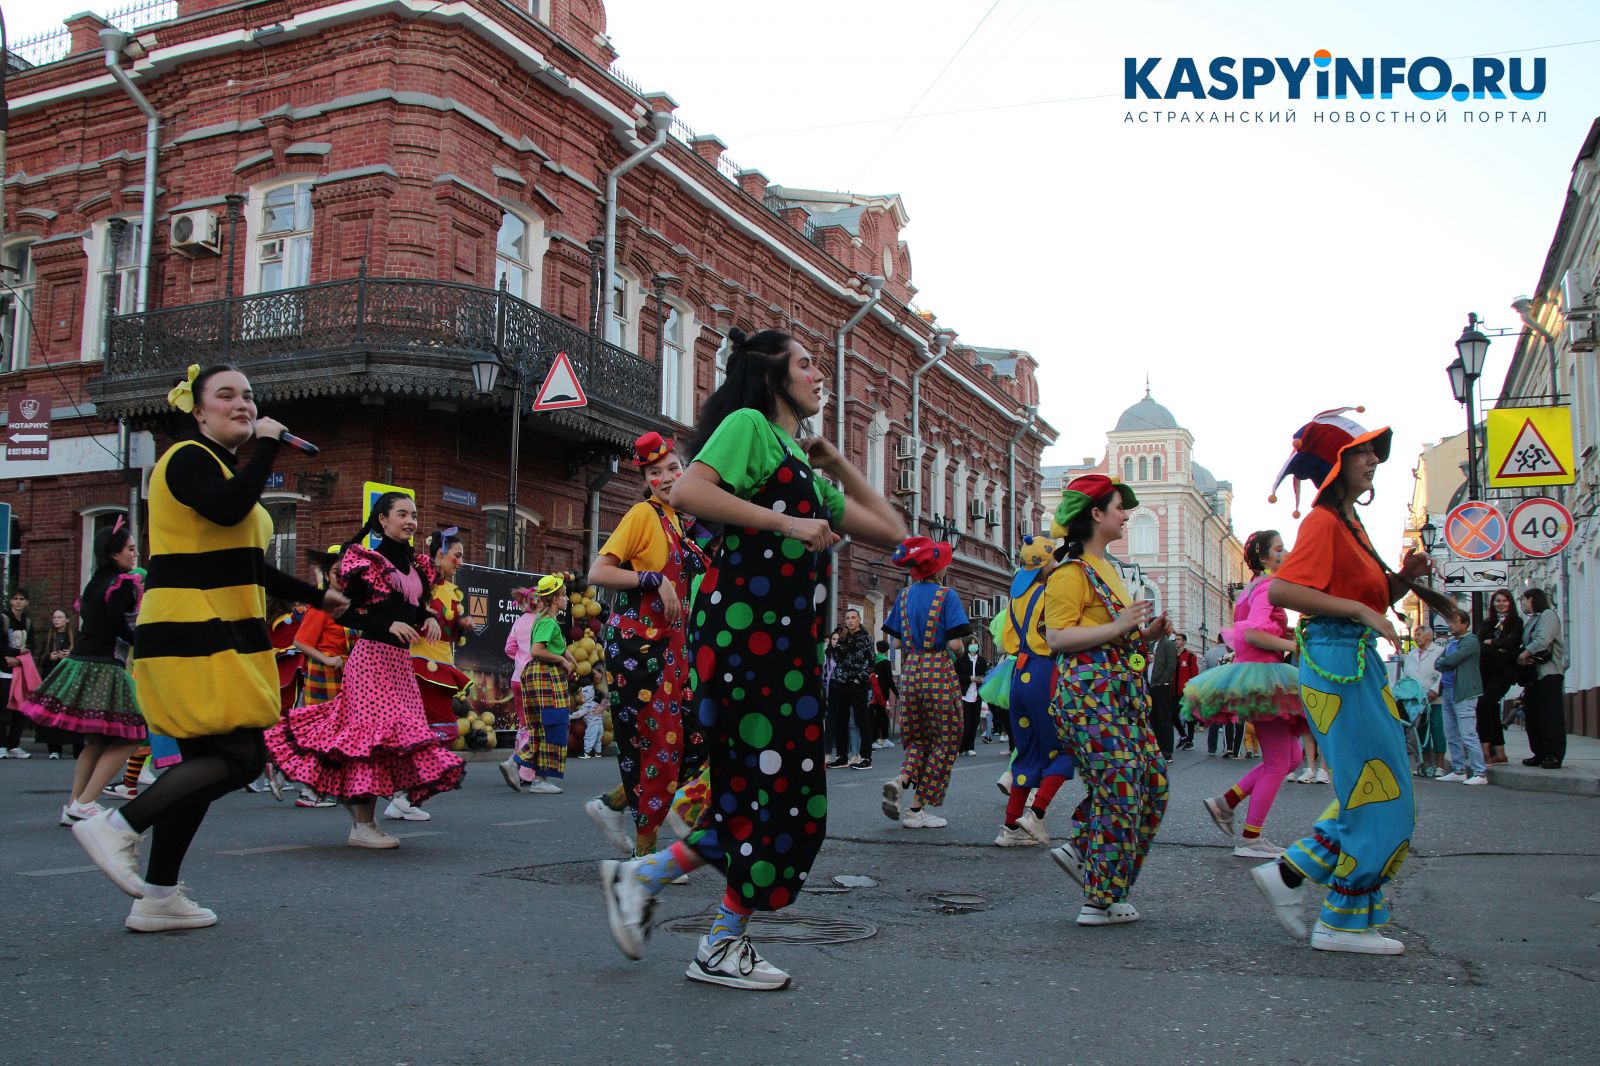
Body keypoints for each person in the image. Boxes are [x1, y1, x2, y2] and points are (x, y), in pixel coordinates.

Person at [599, 326, 905, 990]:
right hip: (745, 641)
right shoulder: (748, 427)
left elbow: (891, 531)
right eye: (805, 363)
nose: (819, 373)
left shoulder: (795, 460)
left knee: (767, 799)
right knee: (781, 798)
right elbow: (689, 493)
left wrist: (835, 462)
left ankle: (652, 883)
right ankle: (715, 940)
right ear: (772, 377)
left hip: (785, 651)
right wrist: (788, 524)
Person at [70, 364, 343, 932]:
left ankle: (159, 897)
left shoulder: (218, 467)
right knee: (241, 756)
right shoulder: (187, 459)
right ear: (198, 412)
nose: (243, 404)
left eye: (248, 396)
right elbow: (228, 509)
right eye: (226, 396)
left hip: (213, 624)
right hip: (194, 627)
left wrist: (320, 597)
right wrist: (268, 447)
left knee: (202, 764)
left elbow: (245, 565)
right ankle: (117, 827)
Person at [1251, 406, 1448, 955]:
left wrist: (1402, 580)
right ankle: (1340, 920)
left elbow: (1365, 599)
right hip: (1339, 662)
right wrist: (1361, 613)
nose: (1373, 461)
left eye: (1373, 452)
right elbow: (1284, 593)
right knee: (1382, 791)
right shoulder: (1321, 521)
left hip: (1352, 661)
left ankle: (1292, 872)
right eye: (1362, 452)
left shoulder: (1347, 524)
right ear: (1336, 463)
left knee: (1377, 787)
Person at [266, 491, 465, 847]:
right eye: (402, 514)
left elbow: (407, 608)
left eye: (414, 515)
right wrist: (385, 626)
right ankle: (362, 825)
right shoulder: (367, 562)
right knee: (371, 739)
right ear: (383, 520)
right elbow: (346, 613)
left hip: (399, 665)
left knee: (390, 737)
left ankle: (348, 803)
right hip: (371, 660)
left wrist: (428, 616)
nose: (410, 521)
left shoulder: (417, 564)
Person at [1043, 474, 1170, 926]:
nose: (1126, 514)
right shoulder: (1069, 574)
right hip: (1086, 695)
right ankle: (1099, 898)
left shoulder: (1109, 570)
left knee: (1153, 784)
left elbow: (1119, 638)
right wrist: (1120, 628)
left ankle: (1086, 851)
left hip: (1121, 693)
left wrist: (1143, 636)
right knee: (1119, 782)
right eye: (1119, 507)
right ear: (1096, 515)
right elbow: (1057, 636)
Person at [587, 431, 712, 851]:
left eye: (674, 467)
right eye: (656, 472)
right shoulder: (643, 514)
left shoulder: (678, 522)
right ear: (647, 480)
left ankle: (614, 804)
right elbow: (598, 572)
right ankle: (646, 854)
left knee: (693, 739)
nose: (668, 477)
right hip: (640, 646)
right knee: (658, 744)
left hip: (672, 646)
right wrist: (652, 579)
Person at [1185, 530, 1306, 858]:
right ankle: (1251, 838)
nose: (1286, 552)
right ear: (1265, 558)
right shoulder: (1267, 587)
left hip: (1259, 674)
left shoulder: (1252, 587)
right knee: (1281, 761)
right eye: (1279, 548)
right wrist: (1295, 644)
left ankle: (1228, 802)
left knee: (1291, 758)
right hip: (1263, 675)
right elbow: (1252, 633)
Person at [20, 526, 145, 826]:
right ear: (114, 553)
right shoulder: (123, 583)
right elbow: (117, 621)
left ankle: (74, 805)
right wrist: (139, 639)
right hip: (104, 666)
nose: (134, 553)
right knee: (130, 737)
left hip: (82, 663)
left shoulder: (95, 583)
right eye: (129, 548)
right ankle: (86, 801)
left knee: (97, 740)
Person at [881, 536, 972, 829]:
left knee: (919, 739)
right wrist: (949, 647)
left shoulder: (904, 596)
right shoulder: (947, 596)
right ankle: (918, 807)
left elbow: (894, 644)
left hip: (911, 672)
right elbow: (957, 646)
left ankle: (902, 778)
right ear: (938, 569)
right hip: (938, 670)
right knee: (945, 740)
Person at [994, 534, 1074, 849]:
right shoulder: (1052, 591)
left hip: (1019, 673)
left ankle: (1011, 827)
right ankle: (1036, 814)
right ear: (1048, 562)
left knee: (1026, 753)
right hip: (1045, 672)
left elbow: (1007, 642)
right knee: (1063, 747)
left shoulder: (1017, 597)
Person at [390, 527, 471, 822]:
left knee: (425, 732)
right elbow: (406, 615)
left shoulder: (450, 589)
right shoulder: (422, 583)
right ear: (440, 555)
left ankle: (403, 793)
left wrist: (461, 624)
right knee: (444, 731)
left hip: (440, 667)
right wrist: (427, 618)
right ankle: (407, 791)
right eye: (456, 556)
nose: (460, 562)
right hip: (421, 667)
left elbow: (448, 633)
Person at [289, 547, 351, 808]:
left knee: (337, 735)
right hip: (323, 674)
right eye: (338, 572)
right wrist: (326, 658)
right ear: (327, 574)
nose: (342, 577)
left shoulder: (347, 604)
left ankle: (324, 788)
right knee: (322, 733)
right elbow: (300, 642)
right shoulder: (321, 604)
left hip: (343, 675)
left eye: (347, 573)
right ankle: (311, 791)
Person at [505, 575, 575, 795]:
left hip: (539, 676)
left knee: (542, 727)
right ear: (555, 599)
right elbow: (537, 650)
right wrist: (563, 661)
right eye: (563, 595)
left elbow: (556, 646)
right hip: (546, 676)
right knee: (554, 725)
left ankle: (528, 772)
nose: (566, 599)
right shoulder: (546, 621)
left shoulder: (545, 621)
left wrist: (569, 658)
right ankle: (534, 774)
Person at [1434, 612, 1487, 785]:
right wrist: (1445, 662)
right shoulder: (1451, 642)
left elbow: (1453, 660)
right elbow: (1439, 661)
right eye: (1449, 622)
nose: (1449, 625)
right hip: (1448, 691)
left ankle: (1480, 772)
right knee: (1451, 733)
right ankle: (1458, 770)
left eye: (1453, 622)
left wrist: (1445, 661)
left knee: (1468, 734)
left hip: (1464, 692)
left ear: (1465, 624)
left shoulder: (1470, 641)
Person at [1518, 588, 1567, 770]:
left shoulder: (1548, 615)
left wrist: (1523, 655)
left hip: (1549, 673)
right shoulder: (1533, 619)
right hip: (1534, 675)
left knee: (1550, 716)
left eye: (1524, 600)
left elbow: (1542, 640)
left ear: (1532, 599)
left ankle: (1554, 755)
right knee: (1534, 717)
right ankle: (1539, 753)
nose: (1523, 604)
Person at [1475, 589, 1521, 766]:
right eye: (1498, 601)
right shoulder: (1488, 623)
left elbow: (1512, 642)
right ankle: (1496, 752)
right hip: (1485, 671)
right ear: (1493, 603)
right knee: (1486, 707)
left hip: (1503, 672)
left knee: (1486, 703)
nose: (1501, 604)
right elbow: (1479, 644)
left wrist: (1493, 643)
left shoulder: (1515, 622)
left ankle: (1487, 750)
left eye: (1504, 600)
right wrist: (1497, 648)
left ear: (1510, 602)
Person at [828, 608, 876, 768]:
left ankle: (866, 758)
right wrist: (839, 642)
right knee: (840, 720)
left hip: (857, 684)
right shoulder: (844, 637)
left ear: (859, 619)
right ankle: (842, 756)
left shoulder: (866, 638)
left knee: (862, 720)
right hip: (841, 683)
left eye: (853, 617)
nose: (850, 621)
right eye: (847, 618)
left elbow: (870, 661)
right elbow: (836, 658)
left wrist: (858, 678)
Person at [1400, 625, 1446, 779]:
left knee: (1437, 729)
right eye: (1415, 634)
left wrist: (1434, 690)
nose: (1416, 637)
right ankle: (1426, 763)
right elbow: (1407, 676)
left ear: (1429, 636)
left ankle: (1440, 765)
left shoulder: (1439, 652)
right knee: (1421, 730)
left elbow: (1442, 674)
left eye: (1419, 634)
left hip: (1435, 698)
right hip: (1416, 700)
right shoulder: (1411, 655)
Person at [38, 609, 84, 759]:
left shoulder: (76, 636)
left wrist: (70, 656)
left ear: (67, 620)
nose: (56, 620)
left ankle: (78, 748)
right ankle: (54, 749)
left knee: (73, 713)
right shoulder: (49, 637)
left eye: (59, 617)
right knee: (53, 713)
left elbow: (84, 657)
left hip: (71, 679)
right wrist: (50, 657)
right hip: (53, 679)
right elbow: (41, 660)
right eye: (54, 617)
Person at [954, 637, 991, 759]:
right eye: (971, 644)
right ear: (967, 646)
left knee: (974, 722)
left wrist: (981, 679)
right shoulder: (961, 661)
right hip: (964, 696)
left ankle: (970, 747)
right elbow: (956, 676)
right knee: (965, 722)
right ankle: (960, 747)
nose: (974, 647)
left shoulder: (982, 660)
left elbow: (986, 675)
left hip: (976, 695)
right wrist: (969, 678)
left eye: (976, 644)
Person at [1147, 632, 1178, 759]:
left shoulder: (1168, 644)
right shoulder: (1151, 644)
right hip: (1150, 686)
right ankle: (1157, 747)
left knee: (1164, 718)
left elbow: (1171, 666)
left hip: (1162, 686)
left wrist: (1161, 681)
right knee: (1153, 718)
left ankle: (1167, 750)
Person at [1173, 634, 1200, 750]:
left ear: (1184, 641)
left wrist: (1192, 689)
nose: (1176, 642)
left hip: (1186, 691)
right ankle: (1183, 735)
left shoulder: (1190, 656)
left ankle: (1190, 740)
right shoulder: (1173, 656)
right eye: (1175, 639)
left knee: (1189, 716)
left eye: (1179, 640)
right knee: (1172, 714)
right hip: (1173, 691)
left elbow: (1194, 674)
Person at [870, 640, 897, 750]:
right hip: (883, 692)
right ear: (887, 649)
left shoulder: (874, 660)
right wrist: (896, 692)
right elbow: (889, 680)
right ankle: (880, 738)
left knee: (879, 715)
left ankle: (880, 738)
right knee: (881, 715)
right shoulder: (885, 662)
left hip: (873, 691)